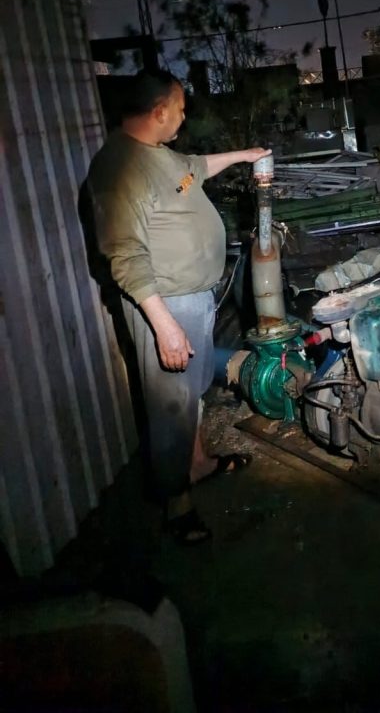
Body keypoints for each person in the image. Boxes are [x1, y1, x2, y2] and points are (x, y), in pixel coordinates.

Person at [88, 69, 272, 544]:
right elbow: (124, 254)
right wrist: (165, 326)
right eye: (180, 109)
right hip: (165, 304)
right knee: (170, 406)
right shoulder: (118, 167)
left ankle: (198, 464)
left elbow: (196, 167)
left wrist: (243, 156)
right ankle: (177, 505)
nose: (184, 117)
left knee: (191, 396)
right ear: (159, 111)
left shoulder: (161, 155)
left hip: (193, 298)